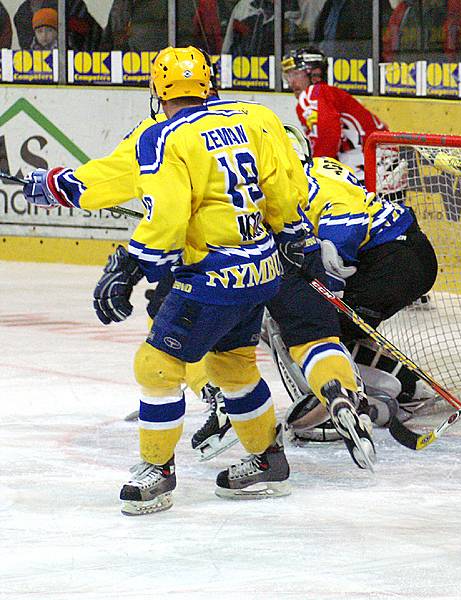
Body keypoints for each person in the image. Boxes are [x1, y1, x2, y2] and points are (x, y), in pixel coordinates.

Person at [21, 47, 375, 515]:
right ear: (209, 84)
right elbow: (284, 184)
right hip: (263, 269)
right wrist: (296, 235)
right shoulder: (255, 117)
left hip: (213, 276)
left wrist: (128, 263)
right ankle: (267, 460)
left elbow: (161, 214)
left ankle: (157, 473)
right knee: (234, 367)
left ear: (156, 90)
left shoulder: (162, 137)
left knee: (157, 365)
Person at [274, 126, 439, 438]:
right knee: (330, 326)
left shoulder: (308, 188)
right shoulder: (320, 167)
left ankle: (351, 401)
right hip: (405, 252)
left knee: (310, 329)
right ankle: (407, 386)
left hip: (394, 262)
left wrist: (328, 272)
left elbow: (343, 232)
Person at [281, 46, 389, 184]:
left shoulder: (313, 94)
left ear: (315, 73)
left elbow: (327, 134)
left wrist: (316, 171)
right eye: (288, 75)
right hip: (384, 164)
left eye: (295, 74)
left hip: (373, 168)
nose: (291, 82)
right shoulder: (328, 93)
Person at [14, 0, 101, 51]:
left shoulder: (71, 4)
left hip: (80, 69)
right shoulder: (23, 13)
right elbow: (27, 49)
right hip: (39, 73)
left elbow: (92, 36)